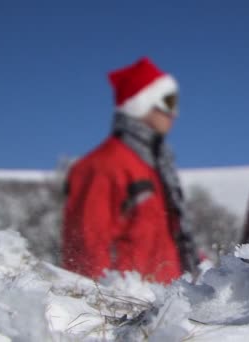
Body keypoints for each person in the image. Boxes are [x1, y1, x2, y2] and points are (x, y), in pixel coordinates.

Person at [62, 57, 199, 284]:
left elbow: (165, 242)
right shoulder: (103, 165)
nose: (174, 114)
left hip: (164, 304)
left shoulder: (156, 169)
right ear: (142, 103)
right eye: (169, 102)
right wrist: (96, 309)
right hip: (124, 309)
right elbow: (86, 248)